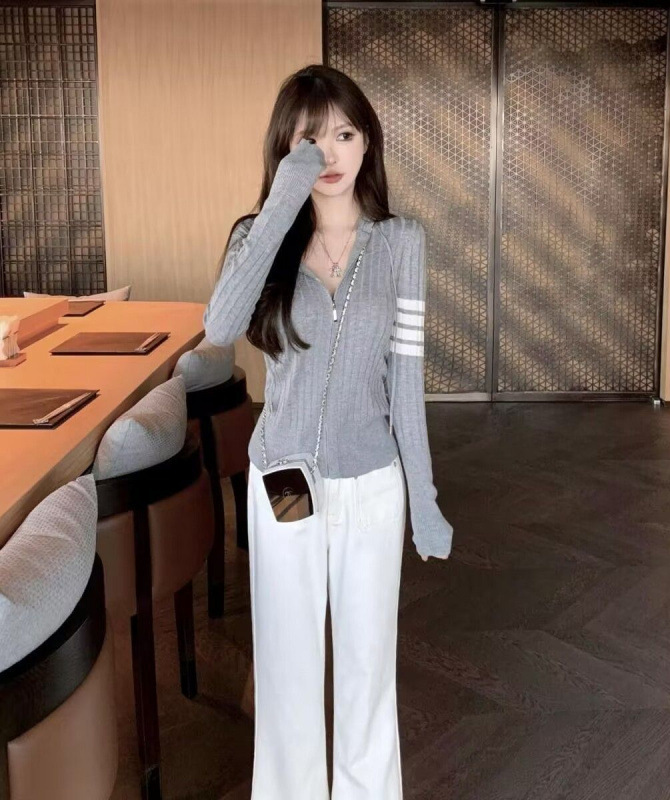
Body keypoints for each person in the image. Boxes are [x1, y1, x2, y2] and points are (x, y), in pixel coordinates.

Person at [203, 63, 453, 800]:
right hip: (285, 483)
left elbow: (404, 381)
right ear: (285, 150)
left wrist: (424, 497)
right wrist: (284, 200)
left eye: (344, 134)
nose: (330, 154)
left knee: (368, 665)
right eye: (309, 140)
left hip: (372, 484)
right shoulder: (258, 238)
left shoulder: (401, 243)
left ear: (368, 141)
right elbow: (219, 327)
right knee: (287, 664)